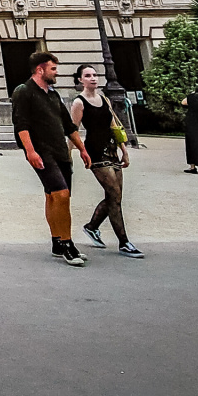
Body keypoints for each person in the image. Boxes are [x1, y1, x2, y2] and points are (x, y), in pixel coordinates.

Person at [10, 50, 93, 266]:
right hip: (42, 151)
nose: (56, 73)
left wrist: (82, 149)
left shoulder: (53, 94)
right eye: (53, 69)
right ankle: (67, 243)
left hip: (60, 152)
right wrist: (30, 151)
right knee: (61, 194)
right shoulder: (24, 91)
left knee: (53, 196)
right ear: (40, 69)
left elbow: (68, 126)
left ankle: (57, 240)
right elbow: (21, 124)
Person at [70, 64, 144, 259]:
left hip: (112, 149)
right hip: (95, 151)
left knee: (115, 196)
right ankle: (124, 242)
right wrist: (69, 155)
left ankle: (92, 227)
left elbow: (114, 126)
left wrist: (124, 150)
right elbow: (73, 130)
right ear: (80, 80)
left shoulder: (104, 99)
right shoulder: (79, 103)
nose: (93, 78)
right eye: (88, 75)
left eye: (95, 75)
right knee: (114, 195)